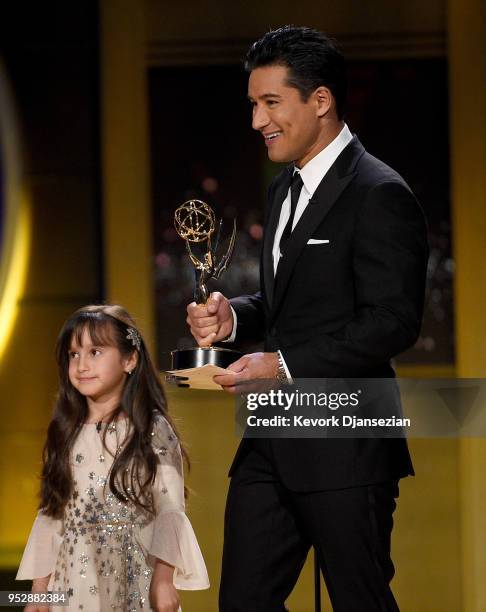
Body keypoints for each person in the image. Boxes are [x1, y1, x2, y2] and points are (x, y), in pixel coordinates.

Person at [186, 26, 428, 612]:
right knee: (242, 601)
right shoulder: (281, 192)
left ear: (321, 101)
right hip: (271, 439)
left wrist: (284, 365)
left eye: (271, 103)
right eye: (252, 104)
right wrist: (233, 320)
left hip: (346, 443)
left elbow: (392, 321)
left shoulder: (378, 192)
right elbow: (287, 308)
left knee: (359, 599)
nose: (256, 120)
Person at [17, 304, 209, 611]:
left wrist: (163, 579)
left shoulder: (152, 428)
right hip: (72, 585)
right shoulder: (65, 432)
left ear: (130, 359)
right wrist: (40, 590)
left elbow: (170, 509)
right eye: (73, 354)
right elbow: (52, 514)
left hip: (133, 581)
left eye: (95, 352)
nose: (81, 365)